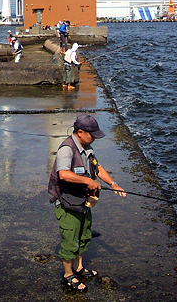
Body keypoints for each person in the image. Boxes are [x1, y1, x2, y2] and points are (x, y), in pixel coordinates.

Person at [48, 115, 126, 292]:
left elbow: (97, 167)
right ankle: (68, 275)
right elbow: (63, 174)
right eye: (92, 135)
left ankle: (79, 267)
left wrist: (113, 184)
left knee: (84, 235)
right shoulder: (67, 149)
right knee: (70, 239)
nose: (95, 139)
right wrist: (88, 182)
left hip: (83, 202)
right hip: (67, 203)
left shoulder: (87, 147)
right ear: (80, 132)